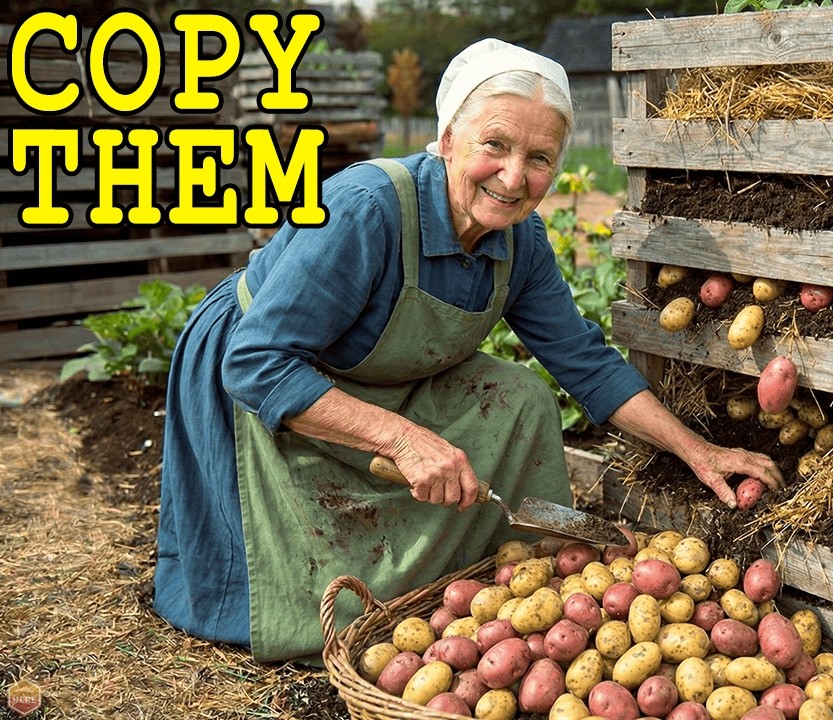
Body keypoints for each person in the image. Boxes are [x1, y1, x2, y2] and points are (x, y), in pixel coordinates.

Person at [153, 38, 782, 662]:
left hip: (375, 377)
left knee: (521, 397)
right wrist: (401, 439)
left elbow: (584, 363)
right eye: (495, 145)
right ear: (448, 138)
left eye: (540, 157)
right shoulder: (366, 209)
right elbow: (255, 361)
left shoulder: (521, 242)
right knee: (302, 603)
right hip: (262, 372)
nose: (515, 177)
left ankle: (483, 582)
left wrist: (698, 452)